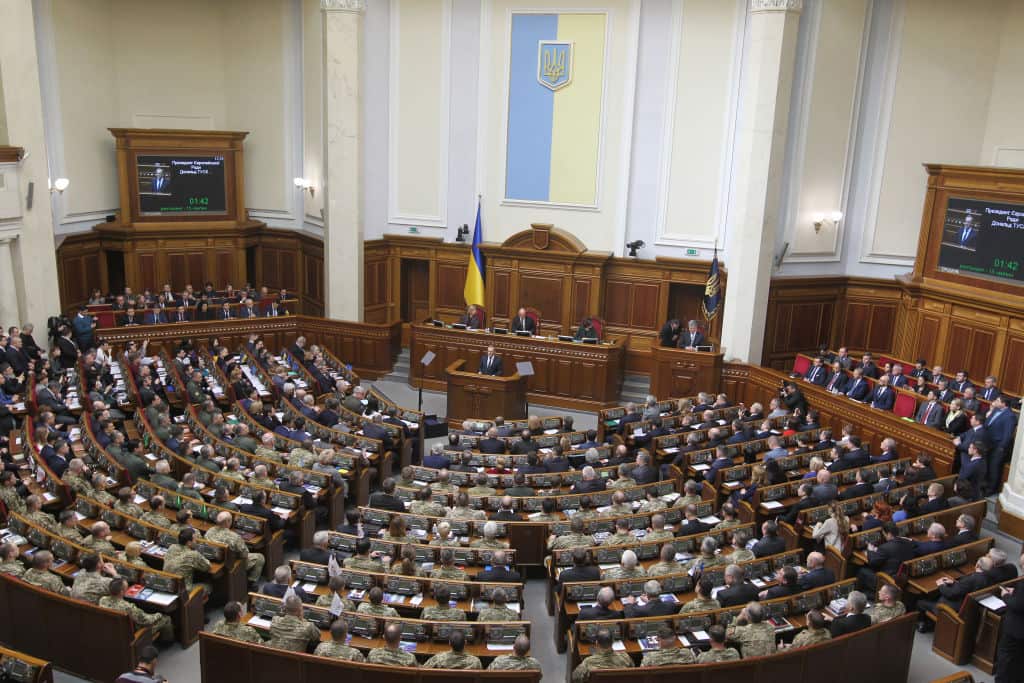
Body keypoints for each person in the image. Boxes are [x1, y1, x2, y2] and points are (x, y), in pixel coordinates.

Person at [995, 551, 1024, 683]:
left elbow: (1017, 605)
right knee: (1019, 658)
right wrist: (1016, 592)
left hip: (1016, 629)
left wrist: (1006, 596)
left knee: (1005, 656)